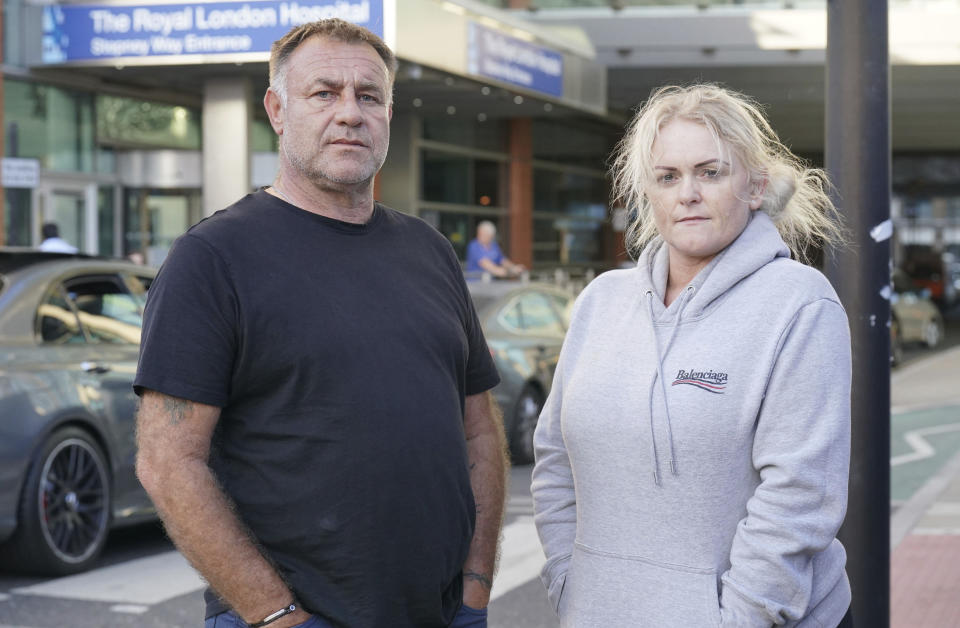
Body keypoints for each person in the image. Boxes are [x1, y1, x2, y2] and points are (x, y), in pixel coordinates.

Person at [134, 19, 508, 628]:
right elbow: (168, 461)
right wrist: (278, 615)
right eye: (324, 93)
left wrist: (474, 589)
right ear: (277, 110)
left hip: (442, 613)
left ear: (388, 113)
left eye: (369, 96)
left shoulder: (430, 251)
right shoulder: (213, 258)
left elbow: (479, 431)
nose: (350, 113)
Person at [531, 84, 853, 628]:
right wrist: (570, 580)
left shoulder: (799, 303)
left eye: (710, 172)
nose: (688, 194)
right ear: (647, 194)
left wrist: (739, 618)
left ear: (754, 186)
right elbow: (554, 459)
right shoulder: (600, 303)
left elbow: (798, 497)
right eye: (668, 177)